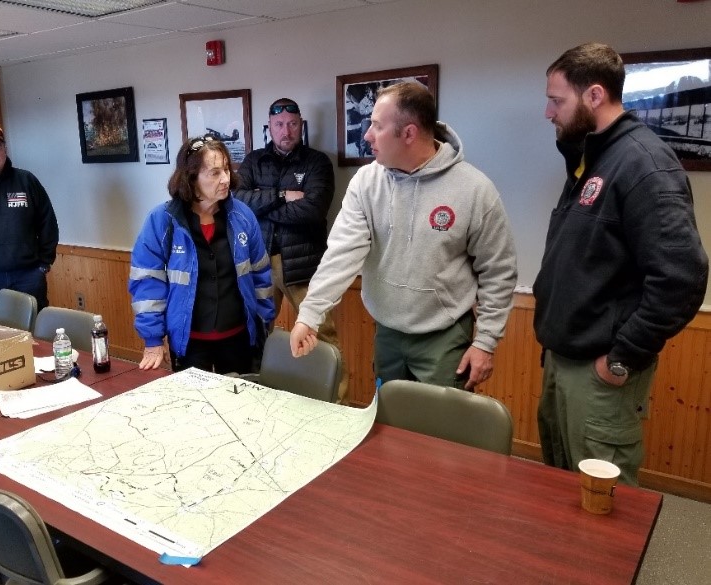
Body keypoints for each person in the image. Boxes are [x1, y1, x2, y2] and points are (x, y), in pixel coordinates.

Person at [534, 43, 709, 486]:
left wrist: (622, 357)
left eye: (557, 100)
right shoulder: (593, 158)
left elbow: (681, 278)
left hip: (599, 372)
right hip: (562, 361)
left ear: (594, 95)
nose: (548, 112)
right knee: (560, 493)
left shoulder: (643, 164)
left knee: (601, 507)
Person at [290, 81, 517, 392]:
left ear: (409, 133)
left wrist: (487, 342)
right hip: (388, 331)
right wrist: (309, 314)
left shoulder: (474, 190)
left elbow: (498, 271)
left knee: (437, 433)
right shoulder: (366, 182)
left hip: (444, 335)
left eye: (377, 126)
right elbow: (342, 253)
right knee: (389, 423)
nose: (367, 135)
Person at [129, 135, 275, 374]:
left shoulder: (243, 216)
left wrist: (264, 325)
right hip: (190, 342)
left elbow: (261, 275)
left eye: (227, 169)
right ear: (191, 177)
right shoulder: (162, 220)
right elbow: (147, 284)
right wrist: (153, 339)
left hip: (239, 338)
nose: (225, 179)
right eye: (214, 173)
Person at [236, 98, 350, 402]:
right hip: (258, 261)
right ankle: (255, 394)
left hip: (303, 263)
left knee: (321, 332)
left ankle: (335, 402)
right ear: (269, 127)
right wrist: (284, 195)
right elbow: (237, 201)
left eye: (292, 123)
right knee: (255, 330)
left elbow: (313, 211)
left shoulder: (317, 162)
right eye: (279, 124)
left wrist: (262, 202)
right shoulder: (253, 161)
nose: (286, 130)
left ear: (301, 125)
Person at [0, 123, 59, 322]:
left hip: (27, 277)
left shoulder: (26, 181)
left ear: (5, 149)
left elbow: (48, 222)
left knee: (34, 337)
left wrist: (43, 263)